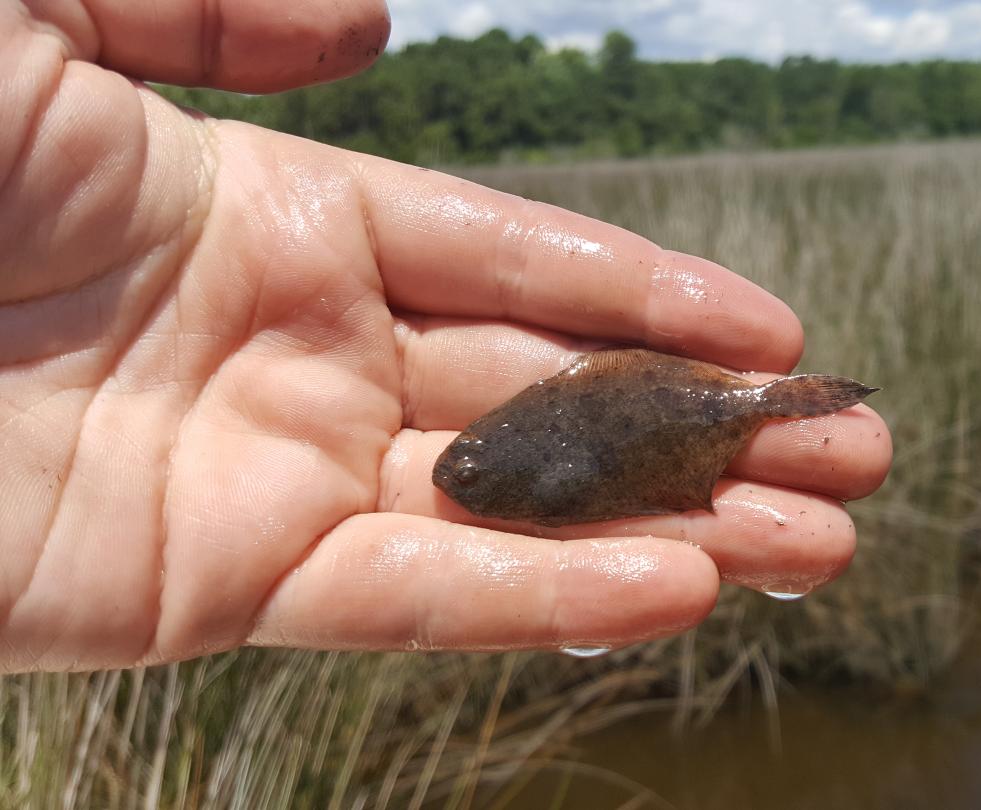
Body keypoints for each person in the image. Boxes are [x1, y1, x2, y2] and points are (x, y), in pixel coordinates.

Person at [0, 0, 892, 673]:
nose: (458, 467)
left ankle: (781, 404)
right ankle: (780, 404)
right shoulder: (499, 463)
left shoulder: (493, 466)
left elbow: (573, 436)